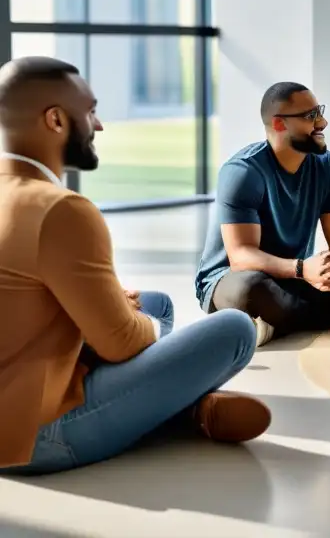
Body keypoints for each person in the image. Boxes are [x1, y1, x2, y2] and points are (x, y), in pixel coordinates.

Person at [0, 57, 269, 476]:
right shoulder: (62, 209)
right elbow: (122, 344)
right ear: (55, 120)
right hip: (36, 436)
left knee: (156, 302)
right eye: (89, 112)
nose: (99, 125)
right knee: (234, 329)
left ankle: (175, 403)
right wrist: (132, 321)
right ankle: (188, 409)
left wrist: (122, 312)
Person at [195, 82, 330, 346]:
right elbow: (240, 257)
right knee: (252, 288)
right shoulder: (243, 172)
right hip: (232, 280)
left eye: (319, 111)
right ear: (280, 124)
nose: (323, 122)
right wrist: (303, 269)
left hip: (295, 277)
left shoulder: (328, 167)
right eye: (310, 116)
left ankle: (276, 321)